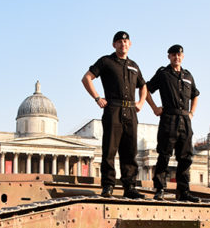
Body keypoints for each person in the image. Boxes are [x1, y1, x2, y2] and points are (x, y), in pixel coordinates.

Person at [82, 31, 147, 199]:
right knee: (110, 149)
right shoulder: (106, 61)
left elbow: (143, 85)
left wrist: (140, 103)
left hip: (131, 111)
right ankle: (108, 186)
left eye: (125, 42)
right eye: (119, 42)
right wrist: (97, 97)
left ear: (130, 44)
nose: (123, 44)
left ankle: (130, 186)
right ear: (114, 45)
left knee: (130, 150)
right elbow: (87, 78)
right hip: (113, 108)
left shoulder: (134, 65)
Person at [145, 44, 200, 202]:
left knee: (186, 157)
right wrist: (155, 108)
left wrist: (191, 113)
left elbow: (195, 94)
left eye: (179, 55)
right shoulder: (163, 73)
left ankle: (183, 191)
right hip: (169, 118)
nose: (177, 57)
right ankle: (160, 189)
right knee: (164, 155)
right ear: (169, 56)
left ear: (183, 57)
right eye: (174, 54)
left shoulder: (188, 75)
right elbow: (146, 88)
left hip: (185, 120)